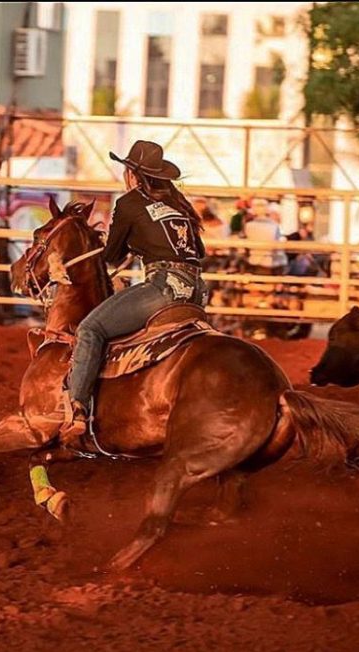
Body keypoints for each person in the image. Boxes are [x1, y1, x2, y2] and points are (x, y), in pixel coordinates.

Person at [60, 140, 206, 445]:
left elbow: (111, 255)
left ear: (133, 174)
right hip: (196, 292)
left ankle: (76, 408)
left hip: (163, 286)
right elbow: (197, 251)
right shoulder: (180, 206)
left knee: (91, 328)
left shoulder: (129, 203)